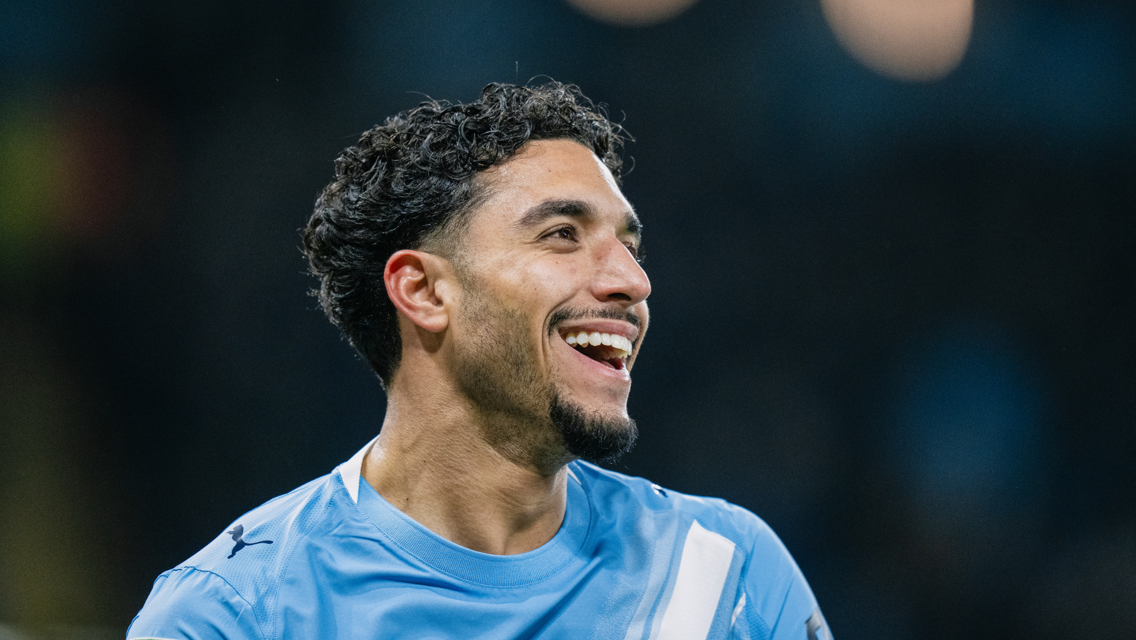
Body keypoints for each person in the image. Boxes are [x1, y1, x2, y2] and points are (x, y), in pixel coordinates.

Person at [127, 81, 833, 640]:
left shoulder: (722, 574)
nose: (633, 282)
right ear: (425, 290)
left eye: (630, 246)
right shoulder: (235, 616)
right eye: (562, 235)